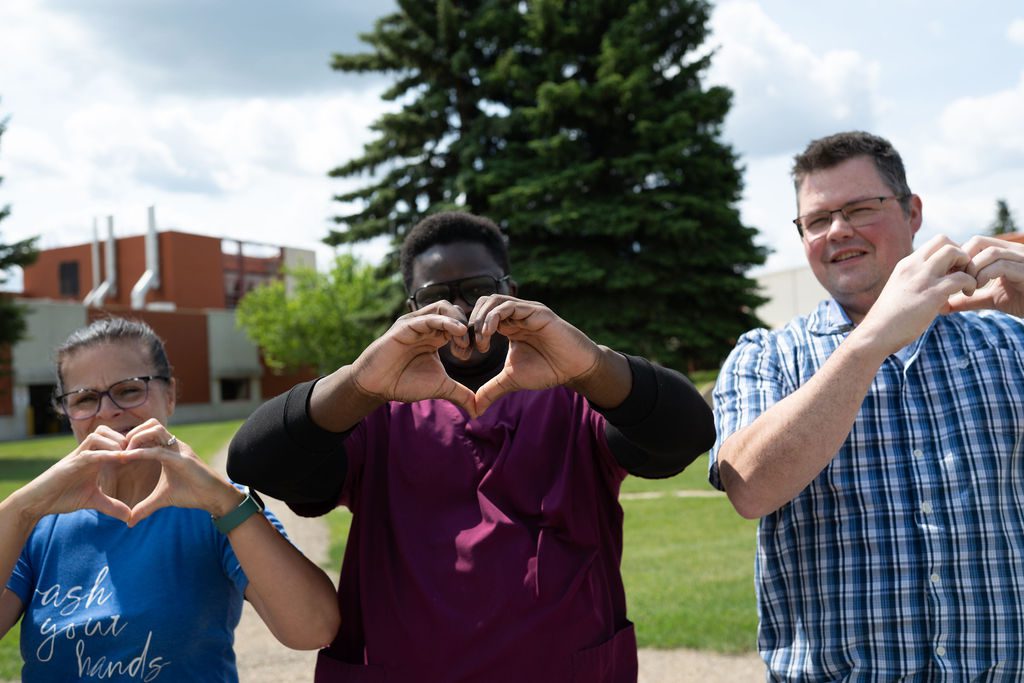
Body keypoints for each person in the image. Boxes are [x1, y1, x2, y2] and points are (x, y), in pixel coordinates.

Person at [227, 211, 715, 682]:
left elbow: (687, 434)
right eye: (437, 295)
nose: (462, 310)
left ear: (511, 291)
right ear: (411, 311)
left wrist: (590, 365)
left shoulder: (577, 398)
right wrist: (359, 383)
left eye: (480, 290)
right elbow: (256, 462)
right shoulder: (375, 412)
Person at [711, 130, 1024, 680]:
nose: (837, 231)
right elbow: (749, 487)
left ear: (913, 212)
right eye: (817, 220)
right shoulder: (765, 356)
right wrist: (872, 339)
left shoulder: (1008, 342)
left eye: (860, 208)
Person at [0, 318, 340, 682]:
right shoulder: (37, 521)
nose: (107, 411)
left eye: (129, 390)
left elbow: (314, 628)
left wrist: (226, 504)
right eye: (84, 398)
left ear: (171, 395)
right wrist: (20, 508)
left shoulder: (217, 509)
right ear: (67, 413)